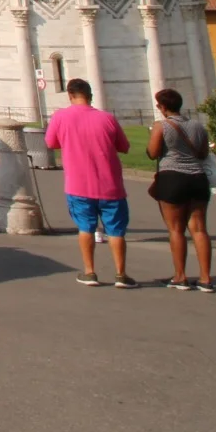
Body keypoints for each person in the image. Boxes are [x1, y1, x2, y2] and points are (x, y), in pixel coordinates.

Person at [44, 78, 136, 288]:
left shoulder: (60, 116)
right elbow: (124, 146)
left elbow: (50, 142)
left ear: (70, 95)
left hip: (78, 185)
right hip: (110, 185)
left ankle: (89, 271)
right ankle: (121, 274)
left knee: (85, 228)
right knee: (116, 230)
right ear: (90, 95)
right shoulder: (107, 118)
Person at [146, 88, 215, 292]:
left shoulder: (161, 126)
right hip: (198, 178)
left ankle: (180, 276)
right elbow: (203, 153)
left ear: (163, 107)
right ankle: (205, 278)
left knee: (176, 229)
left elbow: (153, 152)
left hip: (173, 178)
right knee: (199, 229)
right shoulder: (197, 126)